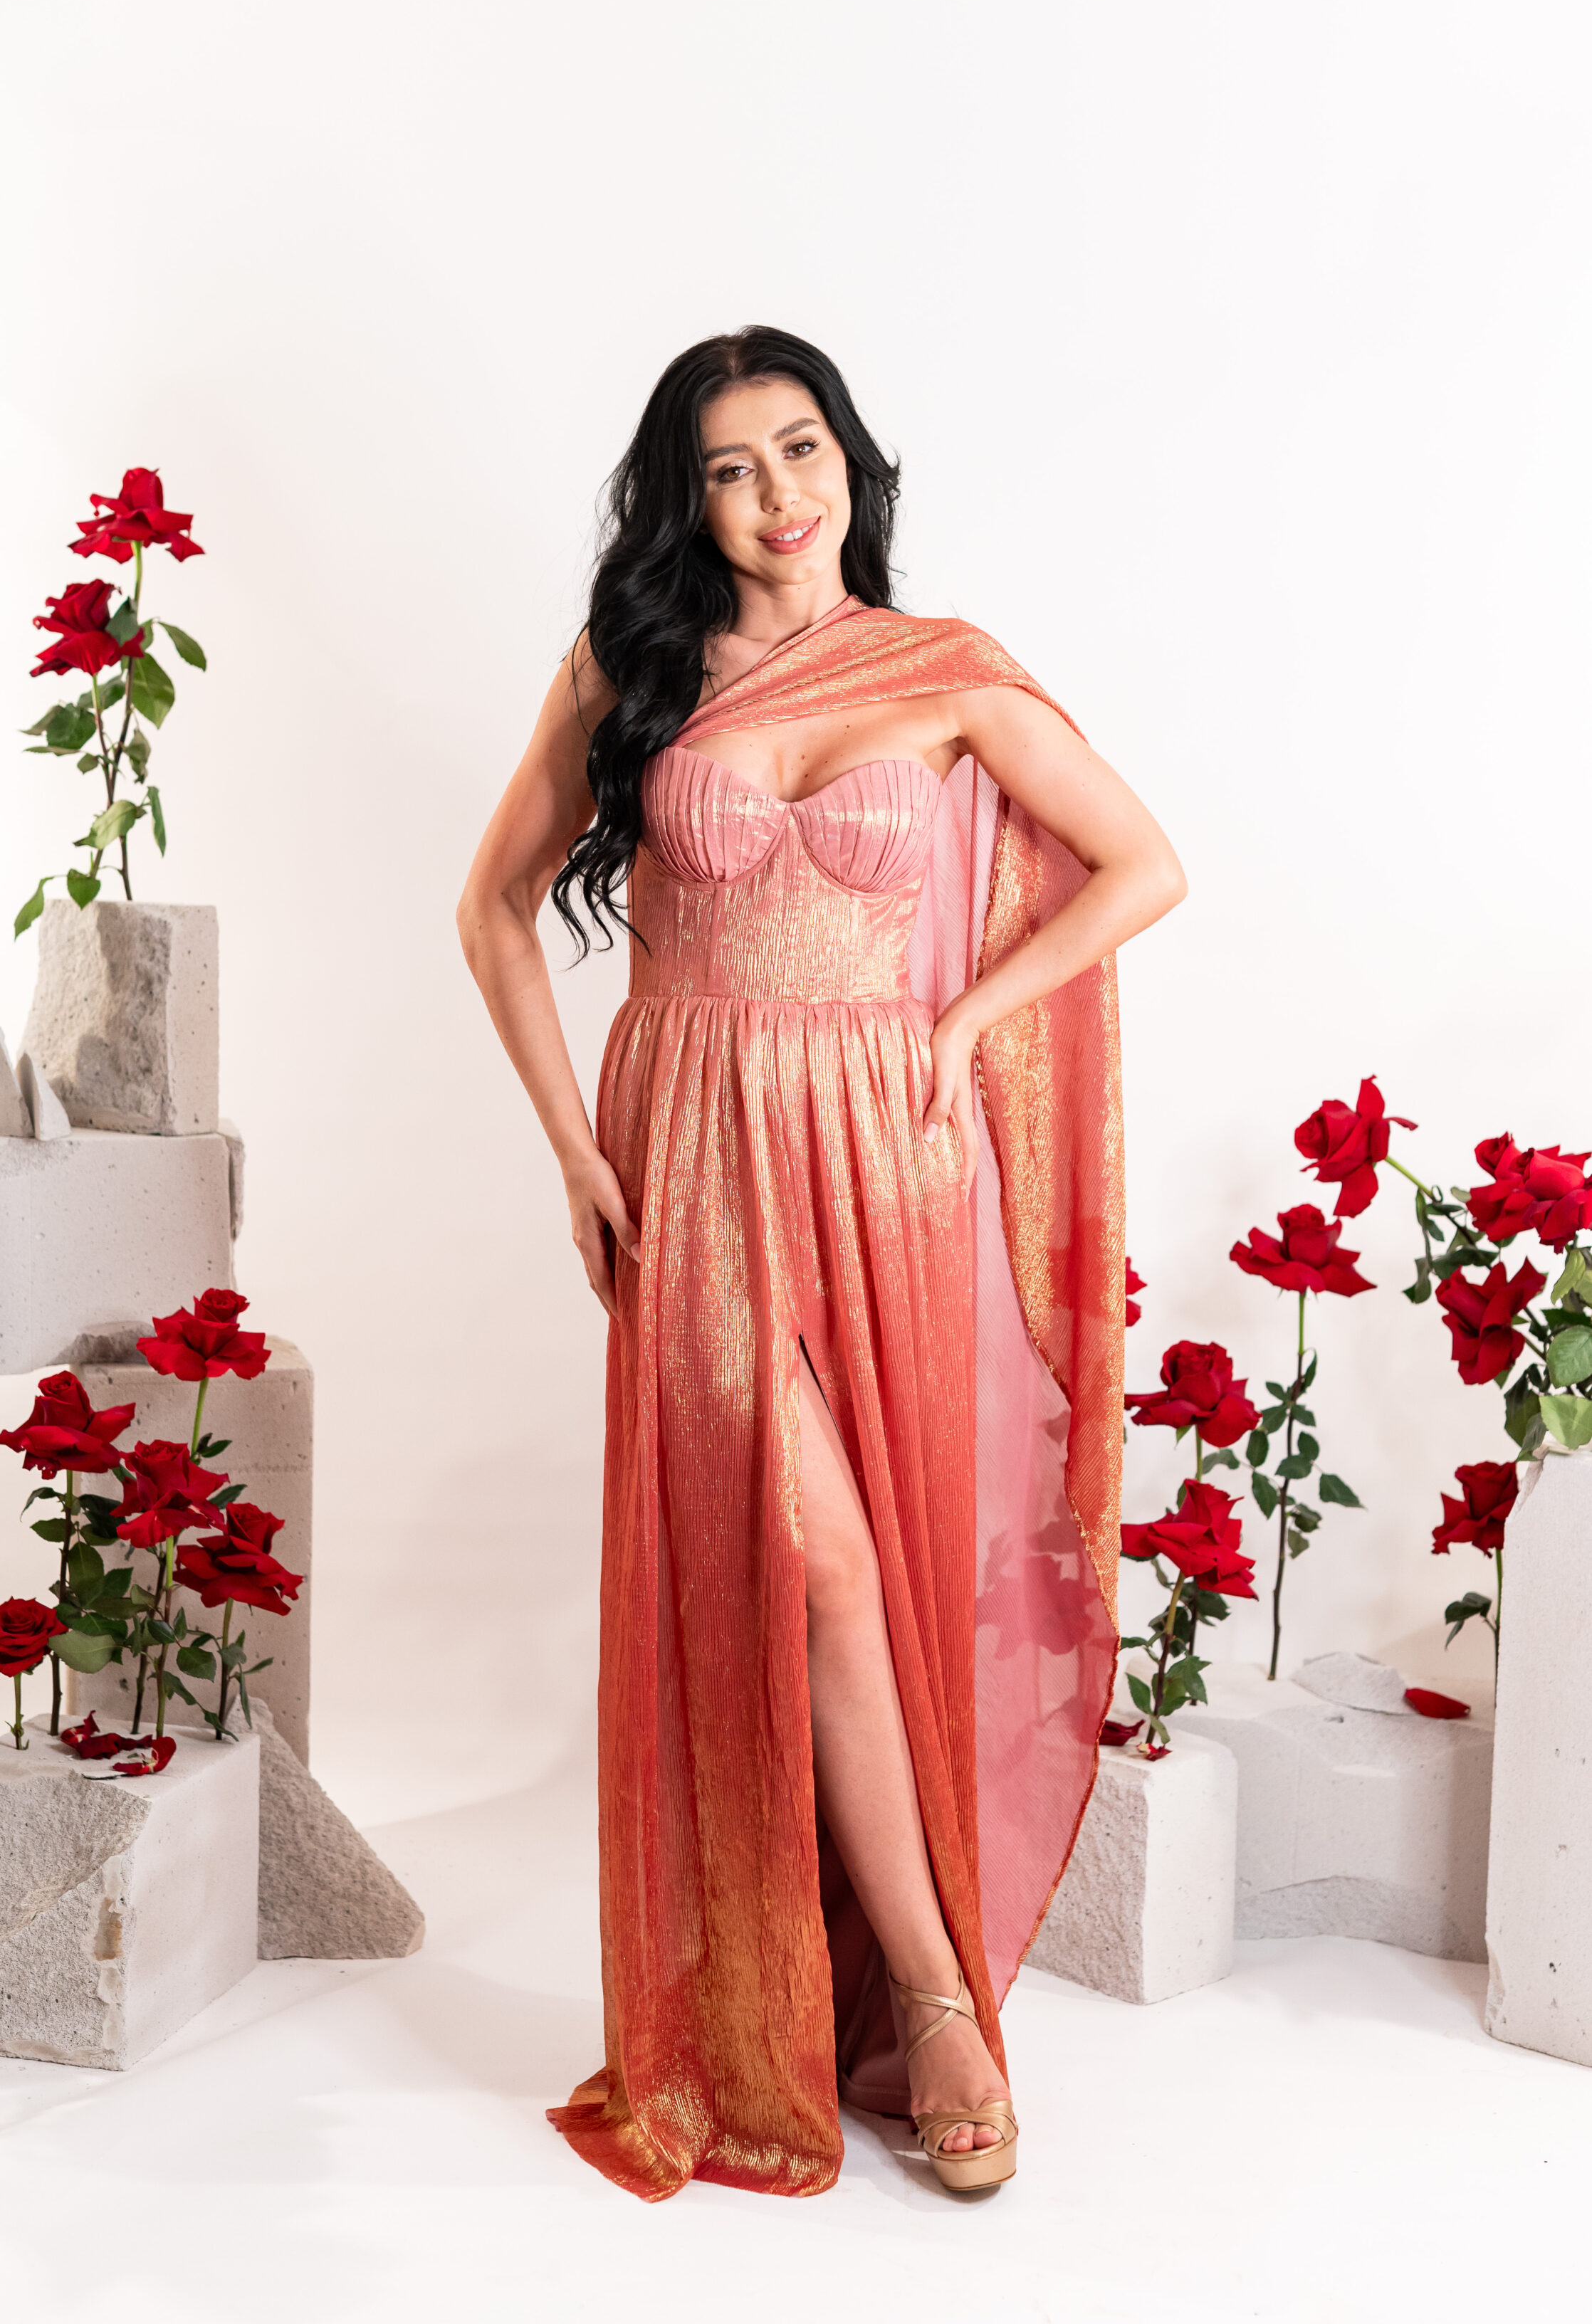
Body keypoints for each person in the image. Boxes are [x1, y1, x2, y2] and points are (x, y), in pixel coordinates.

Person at [458, 327, 1185, 2202]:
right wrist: (573, 1150)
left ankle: (896, 1988)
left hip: (885, 1156)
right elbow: (494, 908)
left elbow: (1142, 867)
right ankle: (928, 2006)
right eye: (728, 468)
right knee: (826, 1565)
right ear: (684, 499)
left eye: (799, 450)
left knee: (885, 1572)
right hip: (694, 1156)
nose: (776, 496)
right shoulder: (631, 666)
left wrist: (967, 1023)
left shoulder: (946, 670)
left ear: (851, 459)